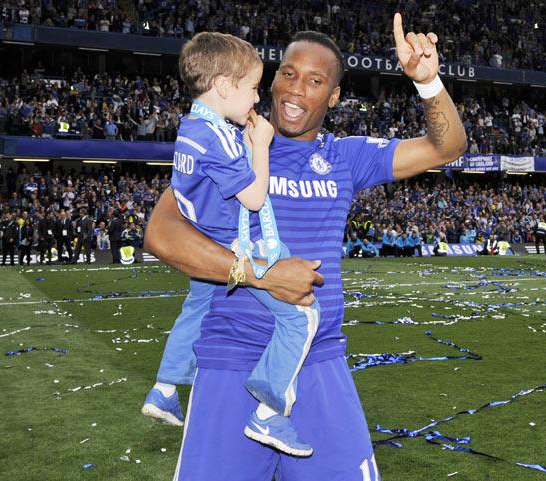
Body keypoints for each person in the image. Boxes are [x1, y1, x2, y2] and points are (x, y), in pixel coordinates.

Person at [145, 18, 466, 480]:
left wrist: (428, 82)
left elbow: (448, 146)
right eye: (288, 74)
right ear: (271, 80)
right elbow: (161, 234)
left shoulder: (347, 156)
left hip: (319, 363)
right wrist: (261, 275)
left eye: (316, 81)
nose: (296, 90)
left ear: (333, 97)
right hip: (232, 360)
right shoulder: (229, 142)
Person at [142, 31, 319, 457]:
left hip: (203, 238)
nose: (256, 99)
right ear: (224, 87)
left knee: (195, 310)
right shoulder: (219, 137)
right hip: (233, 244)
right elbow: (255, 197)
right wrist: (259, 145)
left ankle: (164, 388)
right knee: (303, 318)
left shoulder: (190, 127)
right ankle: (269, 412)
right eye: (252, 88)